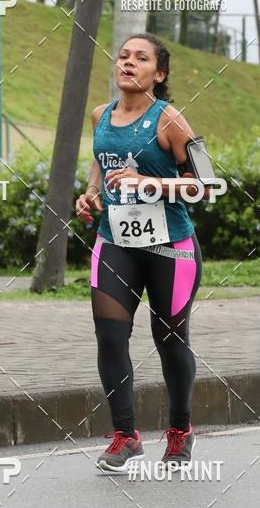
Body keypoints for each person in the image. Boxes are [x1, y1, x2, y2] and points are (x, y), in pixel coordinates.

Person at [76, 32, 210, 473]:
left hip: (170, 248)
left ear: (160, 73)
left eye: (141, 58)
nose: (128, 63)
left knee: (170, 339)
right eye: (123, 56)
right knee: (110, 335)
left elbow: (204, 184)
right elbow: (103, 158)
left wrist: (151, 183)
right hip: (116, 242)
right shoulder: (101, 114)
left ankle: (179, 430)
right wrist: (92, 192)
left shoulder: (169, 120)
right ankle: (125, 434)